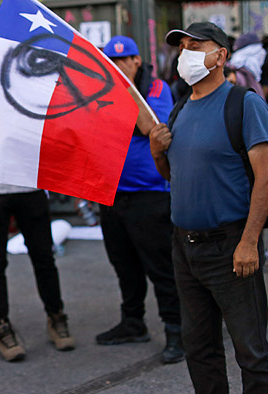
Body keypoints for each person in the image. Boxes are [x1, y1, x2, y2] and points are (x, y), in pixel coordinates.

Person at [150, 22, 268, 393]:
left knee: (251, 352)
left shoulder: (243, 103)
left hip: (230, 246)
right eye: (181, 48)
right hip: (185, 248)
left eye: (195, 46)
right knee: (199, 349)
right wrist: (158, 153)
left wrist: (249, 242)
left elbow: (267, 176)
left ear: (220, 55)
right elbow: (176, 175)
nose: (185, 54)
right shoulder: (179, 110)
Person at [0, 96, 75, 362]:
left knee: (44, 257)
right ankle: (1, 325)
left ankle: (56, 316)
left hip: (30, 186)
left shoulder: (28, 85)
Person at [97, 36, 183, 364]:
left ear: (136, 60)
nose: (118, 67)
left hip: (149, 194)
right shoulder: (101, 90)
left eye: (124, 60)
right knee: (124, 264)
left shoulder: (156, 88)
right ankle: (132, 322)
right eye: (112, 62)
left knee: (160, 266)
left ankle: (176, 330)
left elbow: (152, 127)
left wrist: (122, 89)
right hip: (112, 193)